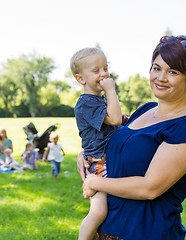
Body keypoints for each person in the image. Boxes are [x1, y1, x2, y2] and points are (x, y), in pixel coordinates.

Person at [79, 35, 186, 240]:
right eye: (156, 68)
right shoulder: (145, 110)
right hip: (106, 229)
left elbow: (149, 188)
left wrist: (95, 183)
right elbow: (117, 146)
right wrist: (85, 156)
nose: (161, 77)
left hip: (144, 233)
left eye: (173, 72)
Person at [70, 47, 122, 240]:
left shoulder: (97, 101)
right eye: (96, 70)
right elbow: (114, 119)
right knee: (98, 212)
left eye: (105, 68)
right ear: (80, 79)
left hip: (108, 160)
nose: (103, 74)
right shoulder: (86, 103)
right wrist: (111, 90)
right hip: (98, 162)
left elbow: (117, 121)